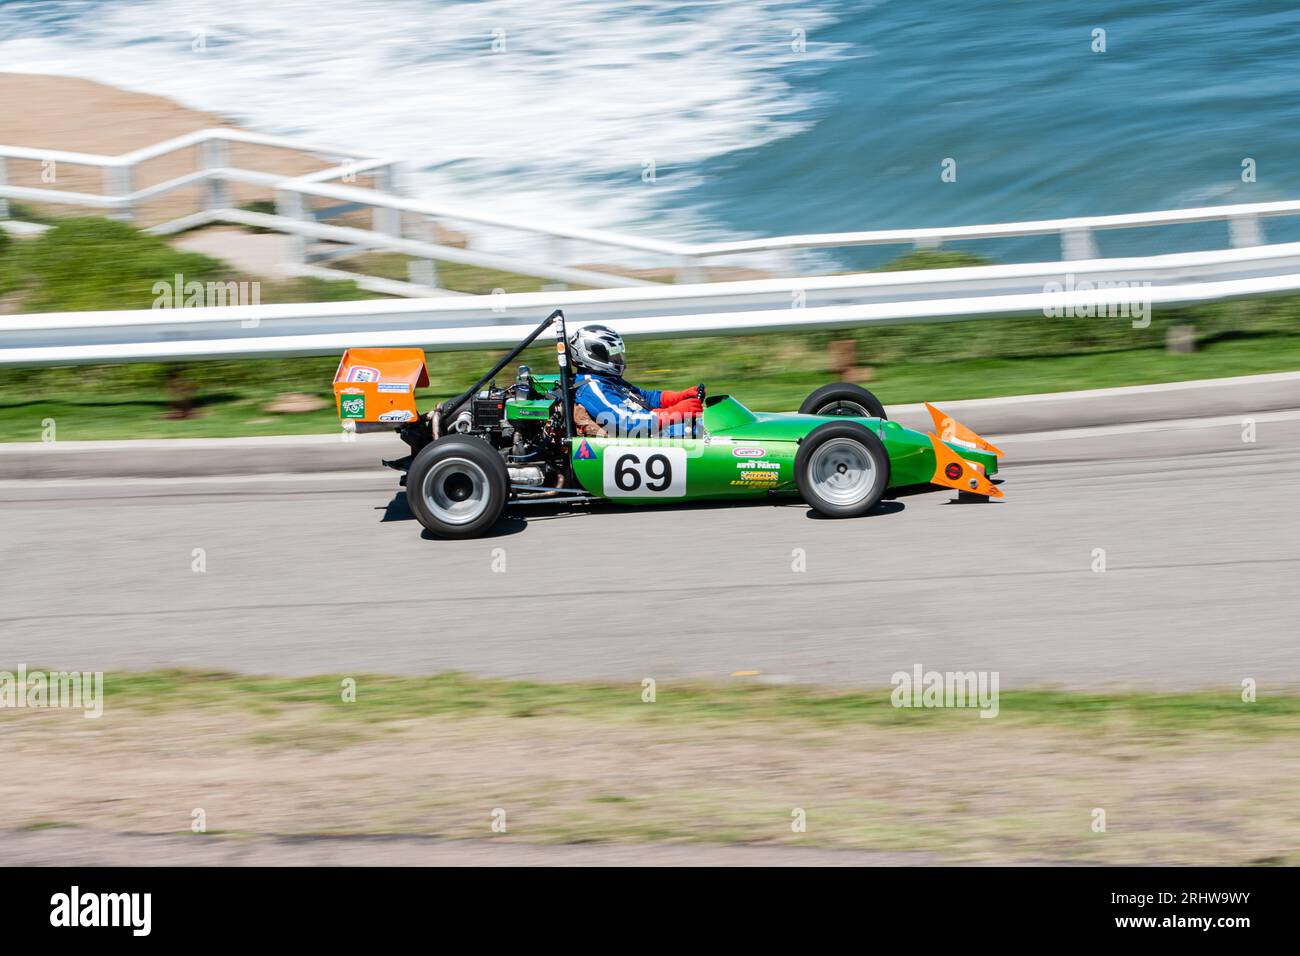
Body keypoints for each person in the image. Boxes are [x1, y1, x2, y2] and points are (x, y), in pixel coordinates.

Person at [567, 325, 703, 437]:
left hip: (648, 430)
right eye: (612, 354)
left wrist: (680, 397)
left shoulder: (606, 380)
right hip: (637, 437)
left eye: (617, 353)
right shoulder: (592, 388)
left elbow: (643, 397)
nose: (617, 358)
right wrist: (676, 412)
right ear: (592, 355)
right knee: (701, 431)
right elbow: (626, 422)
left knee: (708, 419)